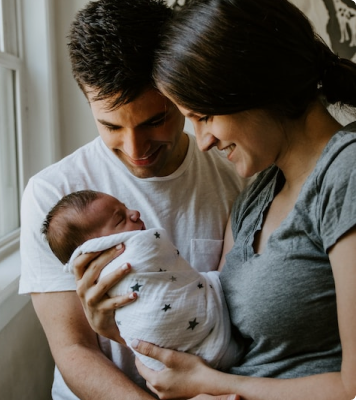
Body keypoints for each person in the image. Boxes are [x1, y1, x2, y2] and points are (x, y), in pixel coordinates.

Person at [111, 0, 355, 398]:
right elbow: (216, 331)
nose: (202, 141)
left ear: (257, 86)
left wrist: (212, 384)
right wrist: (118, 323)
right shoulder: (256, 194)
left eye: (205, 116)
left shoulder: (346, 173)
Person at [18, 1, 246, 399]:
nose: (135, 148)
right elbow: (73, 349)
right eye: (110, 125)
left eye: (154, 121)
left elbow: (234, 319)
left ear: (180, 92)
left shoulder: (233, 178)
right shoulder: (53, 195)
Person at [42, 190, 242, 372]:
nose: (135, 213)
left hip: (174, 370)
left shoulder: (231, 183)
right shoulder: (47, 189)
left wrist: (112, 331)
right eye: (120, 218)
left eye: (125, 207)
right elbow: (72, 350)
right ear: (98, 246)